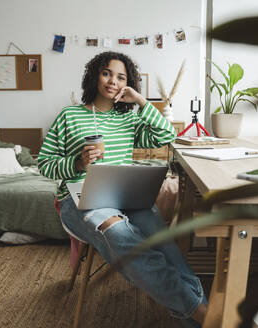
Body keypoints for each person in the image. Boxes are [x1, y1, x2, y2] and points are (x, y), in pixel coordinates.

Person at [38, 51, 207, 327]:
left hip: (125, 197)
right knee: (120, 235)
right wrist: (78, 163)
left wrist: (141, 101)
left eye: (121, 77)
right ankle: (204, 314)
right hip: (79, 199)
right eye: (106, 73)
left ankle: (200, 315)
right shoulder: (69, 116)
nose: (112, 81)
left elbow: (167, 135)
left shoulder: (129, 118)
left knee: (164, 245)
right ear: (95, 75)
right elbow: (44, 164)